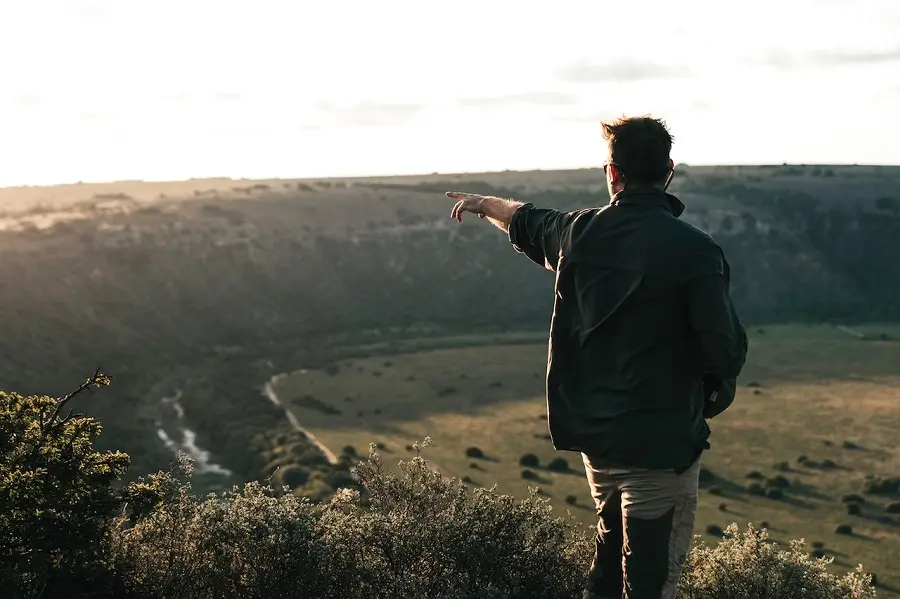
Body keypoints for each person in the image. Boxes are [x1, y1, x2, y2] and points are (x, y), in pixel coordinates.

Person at [444, 115, 748, 599]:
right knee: (651, 581)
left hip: (597, 445)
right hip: (661, 445)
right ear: (668, 170)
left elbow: (523, 217)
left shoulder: (576, 233)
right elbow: (723, 348)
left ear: (613, 173)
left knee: (608, 570)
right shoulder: (696, 250)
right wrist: (703, 401)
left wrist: (482, 204)